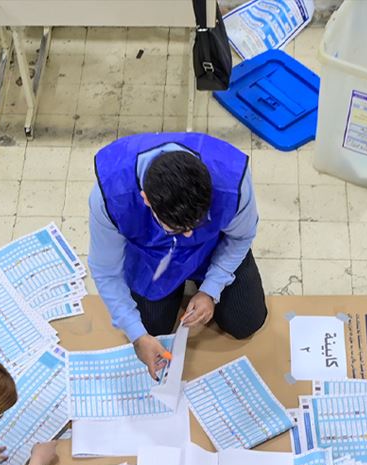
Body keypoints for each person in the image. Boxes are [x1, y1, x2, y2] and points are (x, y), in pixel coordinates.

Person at [89, 131, 267, 378]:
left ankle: (197, 280)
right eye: (177, 228)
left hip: (212, 249)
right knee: (152, 329)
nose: (187, 236)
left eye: (196, 225)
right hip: (151, 257)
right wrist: (138, 335)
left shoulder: (233, 182)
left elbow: (241, 237)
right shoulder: (111, 196)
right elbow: (106, 271)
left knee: (247, 321)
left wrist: (210, 289)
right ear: (146, 200)